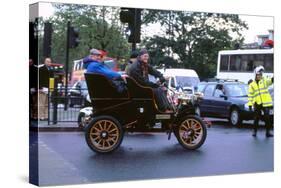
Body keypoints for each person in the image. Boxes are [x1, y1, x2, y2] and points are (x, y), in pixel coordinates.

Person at [248, 65, 273, 137]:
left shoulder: (264, 81)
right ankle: (254, 132)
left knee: (267, 118)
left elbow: (270, 81)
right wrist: (250, 104)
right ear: (255, 75)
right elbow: (250, 95)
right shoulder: (252, 84)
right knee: (256, 118)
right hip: (257, 103)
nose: (259, 76)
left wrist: (273, 78)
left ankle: (268, 132)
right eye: (258, 75)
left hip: (265, 103)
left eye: (260, 75)